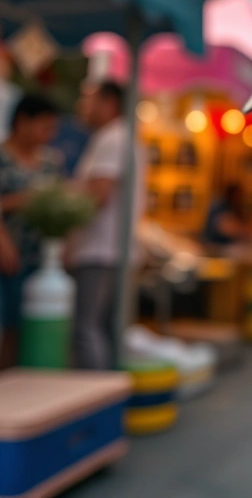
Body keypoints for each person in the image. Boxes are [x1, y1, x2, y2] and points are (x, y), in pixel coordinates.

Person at [66, 80, 146, 370]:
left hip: (100, 251)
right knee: (107, 330)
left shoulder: (112, 138)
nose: (82, 107)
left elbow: (97, 195)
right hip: (113, 250)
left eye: (88, 99)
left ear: (109, 103)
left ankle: (96, 401)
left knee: (86, 330)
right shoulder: (123, 137)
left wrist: (66, 234)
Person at [0, 94, 64, 368]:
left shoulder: (51, 161)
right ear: (22, 121)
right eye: (43, 126)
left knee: (26, 326)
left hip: (39, 257)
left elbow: (60, 201)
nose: (48, 134)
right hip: (7, 253)